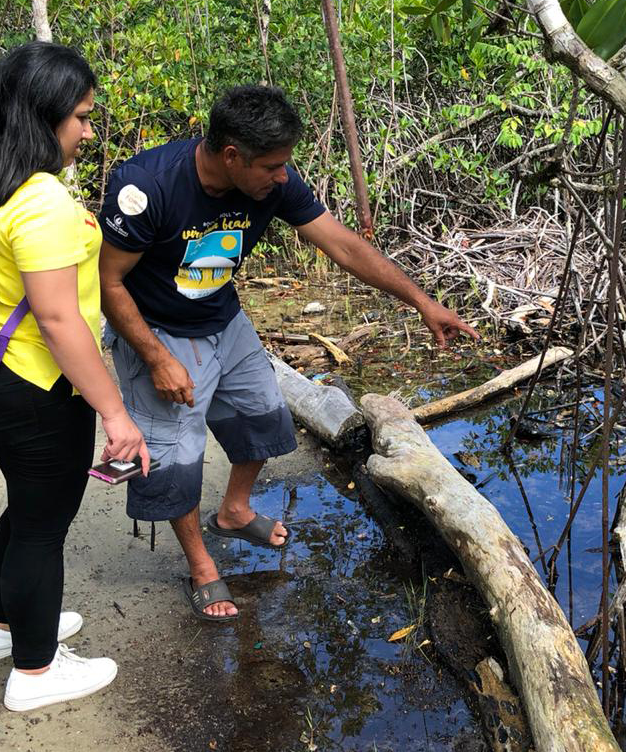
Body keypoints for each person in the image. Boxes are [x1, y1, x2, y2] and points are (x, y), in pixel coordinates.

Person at [99, 85, 477, 621]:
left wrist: (421, 301)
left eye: (285, 166)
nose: (283, 177)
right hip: (156, 328)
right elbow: (108, 283)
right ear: (232, 156)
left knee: (262, 419)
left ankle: (233, 510)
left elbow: (341, 244)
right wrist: (157, 357)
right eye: (273, 167)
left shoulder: (270, 182)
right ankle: (203, 567)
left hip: (223, 320)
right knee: (176, 458)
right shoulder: (147, 186)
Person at [0, 41, 149, 711]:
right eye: (80, 116)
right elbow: (59, 321)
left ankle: (6, 627)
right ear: (41, 116)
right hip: (35, 387)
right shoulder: (42, 201)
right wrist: (114, 412)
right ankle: (37, 670)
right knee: (43, 524)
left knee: (27, 510)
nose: (87, 128)